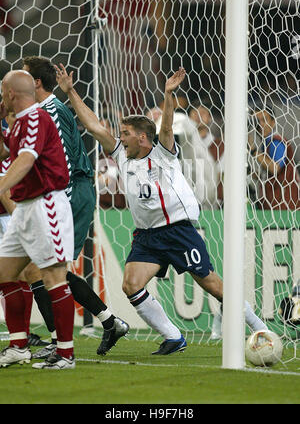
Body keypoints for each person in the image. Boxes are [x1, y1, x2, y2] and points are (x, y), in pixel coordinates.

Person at [55, 63, 269, 355]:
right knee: (131, 284)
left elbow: (166, 127)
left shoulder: (163, 154)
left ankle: (261, 329)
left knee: (214, 286)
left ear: (142, 137)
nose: (121, 137)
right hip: (147, 237)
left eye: (126, 133)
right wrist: (70, 91)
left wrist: (168, 95)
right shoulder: (122, 156)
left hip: (178, 231)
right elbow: (93, 126)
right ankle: (173, 336)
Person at [20, 56, 129, 360]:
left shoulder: (51, 112)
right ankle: (108, 323)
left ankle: (63, 341)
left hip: (71, 192)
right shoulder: (43, 110)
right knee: (39, 269)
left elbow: (63, 162)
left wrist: (56, 202)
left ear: (36, 83)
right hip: (67, 192)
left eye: (24, 76)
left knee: (46, 268)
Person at [0, 70, 75, 369]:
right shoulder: (18, 123)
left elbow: (26, 159)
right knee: (5, 272)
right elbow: (7, 153)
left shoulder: (35, 118)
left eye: (3, 89)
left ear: (11, 93)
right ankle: (18, 345)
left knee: (54, 278)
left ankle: (66, 353)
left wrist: (1, 186)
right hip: (25, 206)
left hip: (47, 205)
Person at [248, 106, 300, 210]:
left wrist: (253, 151)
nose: (260, 124)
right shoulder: (266, 144)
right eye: (257, 121)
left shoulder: (276, 142)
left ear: (273, 122)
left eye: (264, 120)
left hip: (284, 207)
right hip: (275, 204)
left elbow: (275, 168)